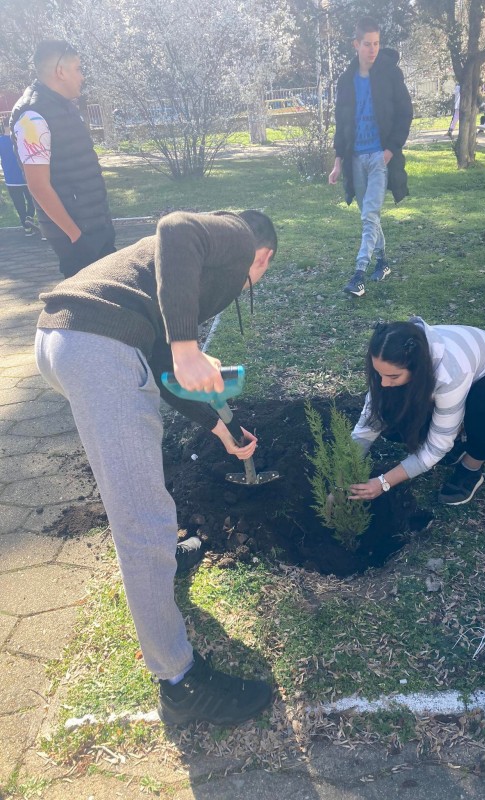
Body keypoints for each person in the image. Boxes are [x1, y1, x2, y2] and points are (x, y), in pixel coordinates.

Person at [35, 209, 277, 726]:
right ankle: (179, 682)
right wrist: (190, 347)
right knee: (142, 520)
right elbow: (175, 227)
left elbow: (166, 369)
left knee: (144, 499)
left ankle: (167, 557)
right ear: (264, 257)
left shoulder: (167, 285)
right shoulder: (237, 235)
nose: (246, 285)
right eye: (256, 277)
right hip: (97, 350)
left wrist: (222, 429)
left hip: (70, 341)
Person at [349, 318, 485, 506]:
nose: (383, 383)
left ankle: (471, 467)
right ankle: (459, 439)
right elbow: (369, 423)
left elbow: (437, 446)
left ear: (417, 369)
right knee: (393, 421)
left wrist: (383, 483)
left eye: (393, 376)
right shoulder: (392, 357)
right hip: (465, 380)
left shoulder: (450, 374)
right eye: (379, 374)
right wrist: (342, 476)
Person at [10, 40, 115, 278]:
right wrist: (76, 236)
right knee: (91, 309)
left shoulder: (63, 107)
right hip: (78, 237)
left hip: (95, 226)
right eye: (78, 68)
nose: (82, 76)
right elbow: (38, 186)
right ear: (60, 71)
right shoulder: (32, 116)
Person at [328, 16, 413, 297]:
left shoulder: (390, 73)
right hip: (356, 158)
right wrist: (338, 162)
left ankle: (359, 274)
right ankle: (384, 262)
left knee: (369, 216)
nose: (373, 49)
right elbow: (342, 123)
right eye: (367, 44)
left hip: (380, 157)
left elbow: (405, 112)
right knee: (370, 216)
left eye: (376, 43)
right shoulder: (346, 81)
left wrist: (391, 149)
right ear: (356, 44)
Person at [0, 122, 37, 235]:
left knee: (18, 203)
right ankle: (30, 216)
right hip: (26, 177)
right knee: (33, 201)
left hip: (11, 180)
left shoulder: (1, 141)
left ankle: (27, 228)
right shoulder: (21, 139)